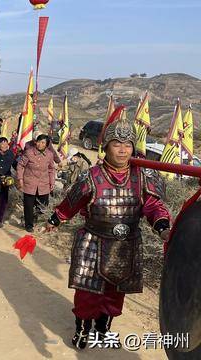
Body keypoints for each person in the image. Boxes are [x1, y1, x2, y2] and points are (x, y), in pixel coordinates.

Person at [45, 107, 171, 349]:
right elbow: (71, 203)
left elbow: (154, 206)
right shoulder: (91, 177)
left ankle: (103, 329)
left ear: (133, 147)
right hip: (93, 241)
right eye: (116, 144)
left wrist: (163, 227)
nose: (123, 149)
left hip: (126, 244)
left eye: (127, 144)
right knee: (87, 293)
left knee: (115, 293)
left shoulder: (143, 177)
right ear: (106, 147)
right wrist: (55, 219)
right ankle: (82, 329)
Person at [16, 134, 56, 233]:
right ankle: (28, 225)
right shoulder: (29, 153)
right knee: (28, 206)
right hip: (29, 183)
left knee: (42, 206)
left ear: (47, 145)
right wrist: (20, 178)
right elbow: (20, 165)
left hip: (44, 184)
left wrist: (52, 182)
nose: (40, 144)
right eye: (38, 141)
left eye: (43, 142)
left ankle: (36, 221)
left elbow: (51, 169)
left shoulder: (50, 155)